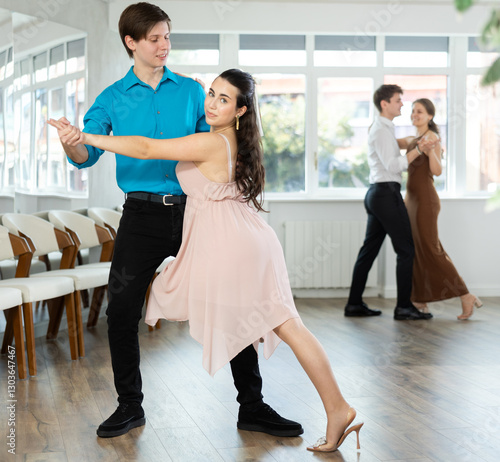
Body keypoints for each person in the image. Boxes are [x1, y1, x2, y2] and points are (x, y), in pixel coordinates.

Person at [49, 68, 364, 453]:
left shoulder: (213, 142)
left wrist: (86, 136)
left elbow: (148, 149)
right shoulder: (228, 140)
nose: (212, 103)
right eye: (211, 94)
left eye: (223, 99)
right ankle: (333, 408)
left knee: (284, 325)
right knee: (280, 323)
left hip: (235, 245)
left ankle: (332, 407)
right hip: (241, 239)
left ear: (241, 111)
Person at [51, 2, 302, 439]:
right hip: (142, 215)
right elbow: (85, 156)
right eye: (154, 39)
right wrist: (74, 141)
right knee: (122, 309)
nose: (165, 45)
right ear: (131, 42)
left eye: (168, 36)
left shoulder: (191, 91)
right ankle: (130, 406)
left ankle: (253, 407)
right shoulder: (110, 99)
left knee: (235, 302)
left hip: (196, 213)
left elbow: (221, 144)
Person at [344, 84, 433, 321]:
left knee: (368, 252)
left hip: (378, 194)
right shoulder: (381, 130)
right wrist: (419, 150)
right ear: (384, 104)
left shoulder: (384, 129)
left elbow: (391, 152)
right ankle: (404, 307)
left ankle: (354, 304)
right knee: (406, 250)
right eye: (397, 100)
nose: (402, 104)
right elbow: (394, 166)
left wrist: (412, 142)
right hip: (385, 195)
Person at [403, 98, 482, 320]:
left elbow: (436, 171)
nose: (414, 114)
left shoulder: (431, 138)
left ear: (430, 115)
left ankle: (465, 294)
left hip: (426, 201)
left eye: (419, 111)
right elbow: (393, 143)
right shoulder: (414, 138)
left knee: (431, 248)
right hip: (411, 201)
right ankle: (419, 298)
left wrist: (430, 151)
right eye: (412, 111)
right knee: (417, 249)